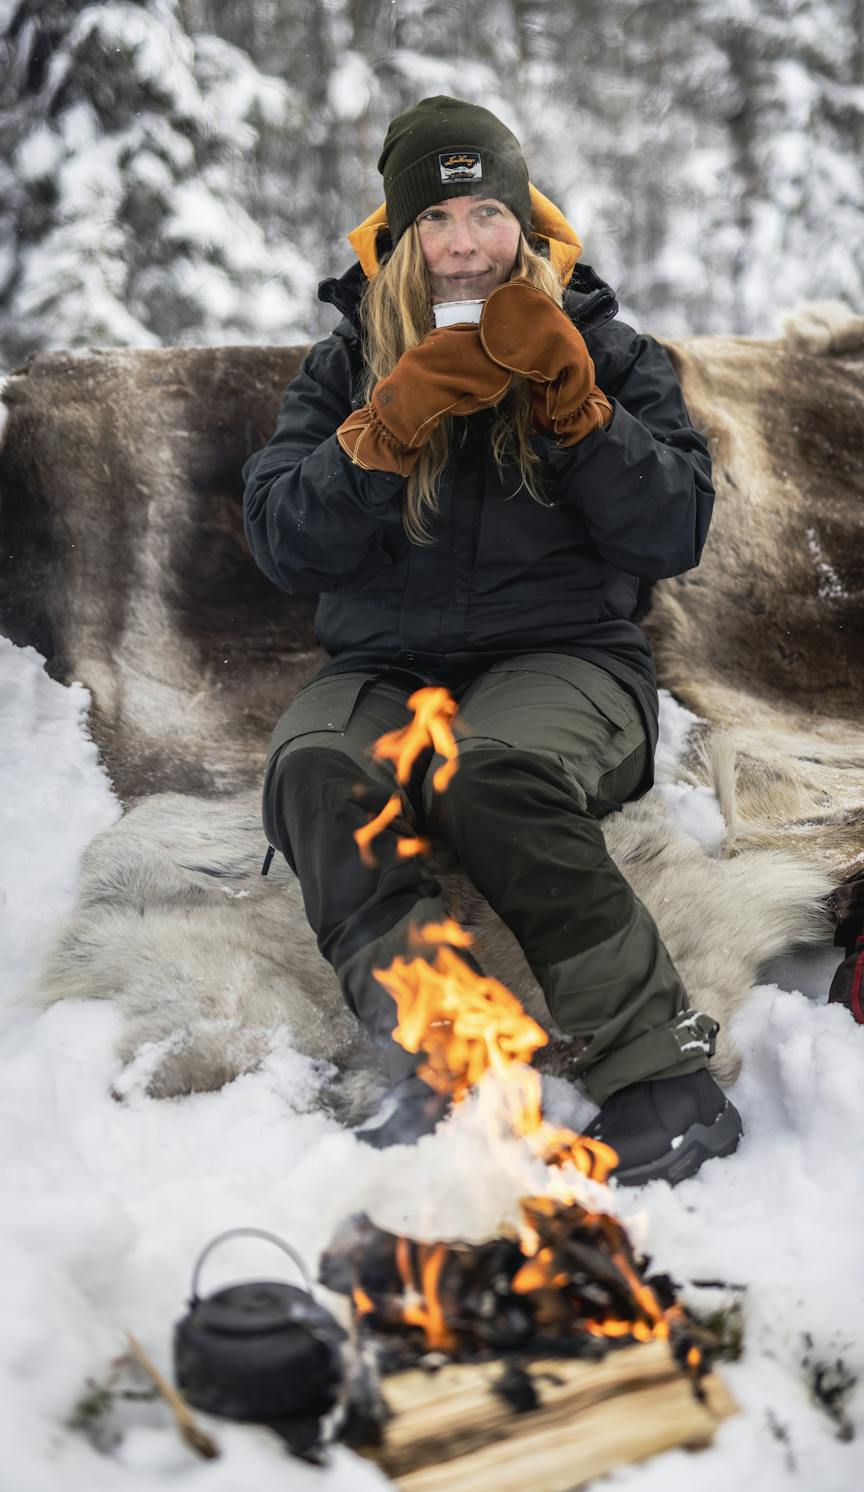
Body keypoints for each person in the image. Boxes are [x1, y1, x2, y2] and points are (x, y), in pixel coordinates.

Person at [242, 95, 741, 1186]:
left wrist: (580, 413)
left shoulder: (607, 350)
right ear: (400, 235)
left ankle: (664, 1081)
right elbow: (283, 542)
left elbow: (676, 529)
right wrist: (381, 429)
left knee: (493, 771)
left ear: (523, 220)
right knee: (318, 772)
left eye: (482, 213)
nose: (461, 243)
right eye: (433, 220)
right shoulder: (346, 364)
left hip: (563, 658)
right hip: (383, 666)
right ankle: (448, 1061)